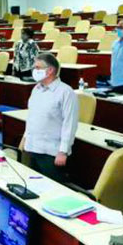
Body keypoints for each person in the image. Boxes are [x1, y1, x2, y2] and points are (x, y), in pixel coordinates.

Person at [23, 53, 79, 182]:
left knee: (51, 188)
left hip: (52, 152)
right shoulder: (36, 89)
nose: (34, 71)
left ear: (50, 70)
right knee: (34, 185)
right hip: (33, 147)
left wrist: (63, 151)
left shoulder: (66, 92)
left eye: (37, 67)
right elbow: (32, 116)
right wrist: (26, 139)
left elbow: (69, 124)